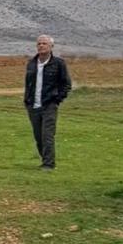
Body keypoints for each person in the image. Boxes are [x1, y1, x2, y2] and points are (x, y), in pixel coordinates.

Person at [23, 35, 71, 170]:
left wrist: (57, 99)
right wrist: (27, 101)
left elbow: (66, 84)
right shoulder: (31, 63)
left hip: (49, 105)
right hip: (33, 106)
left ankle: (49, 164)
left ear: (51, 47)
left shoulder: (58, 63)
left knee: (47, 135)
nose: (41, 46)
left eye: (44, 43)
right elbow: (28, 84)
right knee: (38, 137)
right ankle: (44, 160)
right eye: (39, 43)